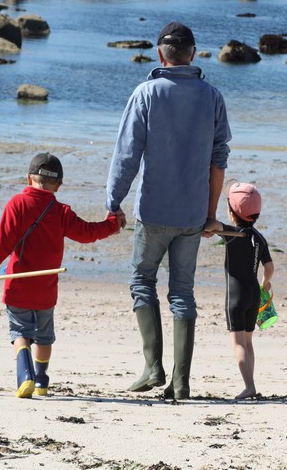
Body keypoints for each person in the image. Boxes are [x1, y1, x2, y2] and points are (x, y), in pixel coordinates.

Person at [106, 21, 232, 400]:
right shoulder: (212, 96)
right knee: (183, 292)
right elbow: (219, 161)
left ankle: (153, 367)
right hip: (193, 216)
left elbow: (127, 155)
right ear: (192, 54)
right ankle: (181, 383)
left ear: (161, 55)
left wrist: (114, 202)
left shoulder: (146, 93)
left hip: (153, 211)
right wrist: (211, 213)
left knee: (142, 281)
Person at [0, 153, 122, 398]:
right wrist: (112, 224)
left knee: (20, 334)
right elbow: (87, 233)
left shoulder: (17, 204)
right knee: (44, 337)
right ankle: (42, 381)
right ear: (59, 185)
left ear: (27, 178)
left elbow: (1, 243)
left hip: (18, 285)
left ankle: (25, 377)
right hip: (46, 288)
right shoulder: (61, 211)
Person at [208, 182, 274, 400]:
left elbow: (212, 225)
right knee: (248, 342)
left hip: (236, 296)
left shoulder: (233, 233)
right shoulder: (259, 238)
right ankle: (250, 382)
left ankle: (249, 386)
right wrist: (265, 283)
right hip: (254, 293)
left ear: (232, 212)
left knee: (237, 343)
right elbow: (270, 267)